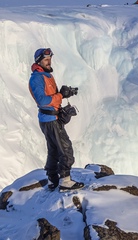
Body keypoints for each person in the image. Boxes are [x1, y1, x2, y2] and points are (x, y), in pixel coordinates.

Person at [28, 48, 84, 191]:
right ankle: (65, 181)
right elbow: (42, 100)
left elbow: (52, 97)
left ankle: (52, 179)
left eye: (50, 59)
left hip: (51, 118)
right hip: (50, 119)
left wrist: (64, 94)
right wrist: (60, 96)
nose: (49, 62)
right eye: (46, 59)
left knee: (53, 150)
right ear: (39, 61)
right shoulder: (37, 78)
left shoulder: (46, 75)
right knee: (66, 150)